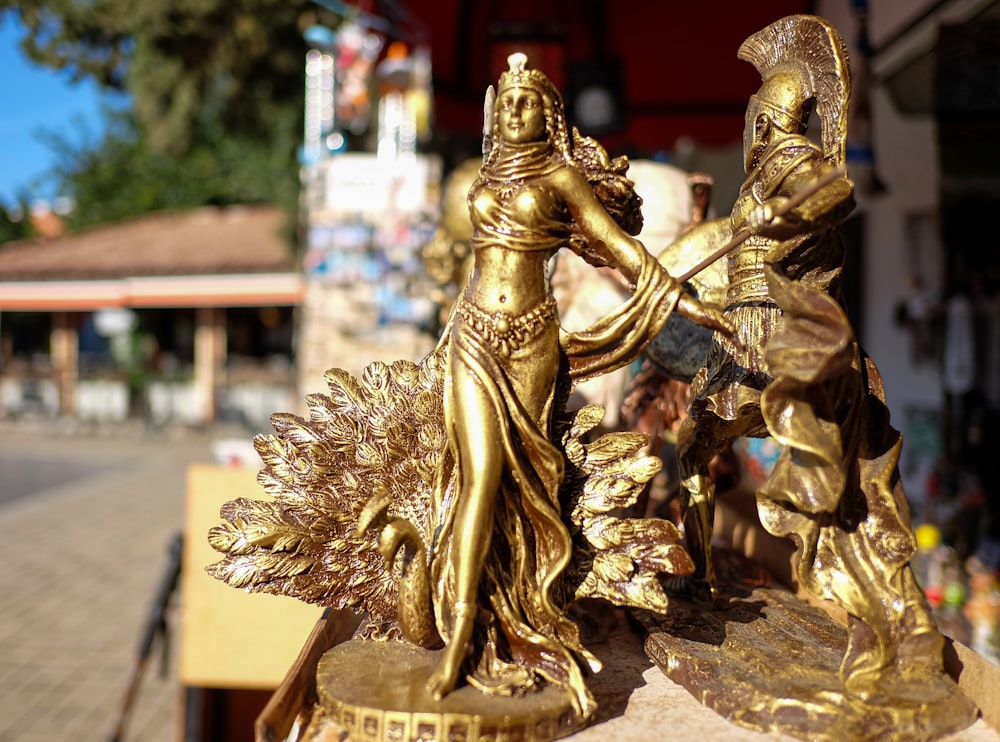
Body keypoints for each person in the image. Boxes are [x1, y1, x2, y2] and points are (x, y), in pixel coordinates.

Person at [423, 52, 734, 713]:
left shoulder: (561, 175)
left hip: (531, 339)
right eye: (505, 100)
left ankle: (517, 616)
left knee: (525, 481)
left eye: (529, 101)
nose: (515, 110)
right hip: (474, 335)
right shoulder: (484, 175)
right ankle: (460, 630)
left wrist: (682, 299)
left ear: (550, 114)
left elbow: (619, 249)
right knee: (475, 475)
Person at [670, 15, 945, 700]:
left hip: (770, 339)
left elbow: (834, 192)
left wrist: (786, 217)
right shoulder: (755, 173)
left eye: (761, 110)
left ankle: (875, 618)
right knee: (692, 446)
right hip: (737, 333)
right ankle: (698, 573)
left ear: (774, 115)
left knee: (822, 488)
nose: (755, 122)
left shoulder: (791, 158)